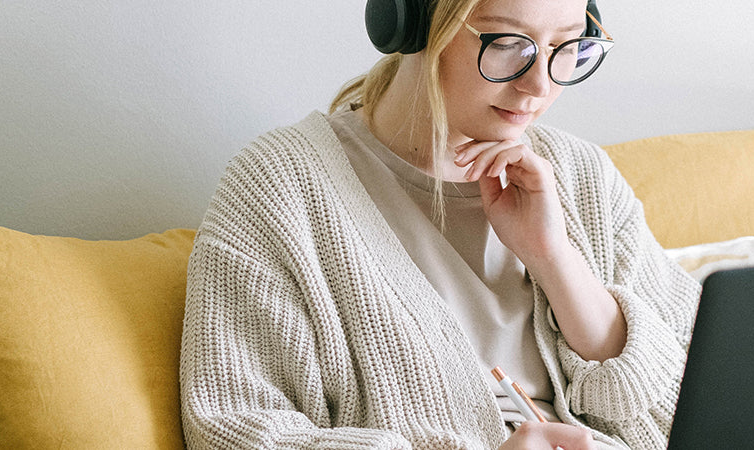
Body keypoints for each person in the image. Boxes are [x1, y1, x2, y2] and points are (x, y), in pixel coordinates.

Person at [179, 0, 700, 447]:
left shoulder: (581, 174)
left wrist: (554, 259)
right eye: (507, 43)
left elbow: (702, 394)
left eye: (566, 46)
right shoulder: (281, 187)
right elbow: (235, 427)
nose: (539, 85)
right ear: (413, 22)